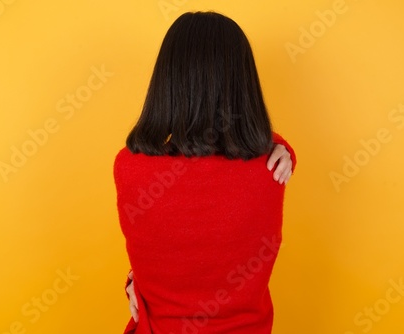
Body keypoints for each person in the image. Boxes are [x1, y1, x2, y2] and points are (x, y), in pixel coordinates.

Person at [114, 11, 297, 333]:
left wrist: (134, 280)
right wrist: (282, 146)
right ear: (243, 83)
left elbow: (163, 256)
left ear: (168, 79)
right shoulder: (270, 170)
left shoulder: (128, 167)